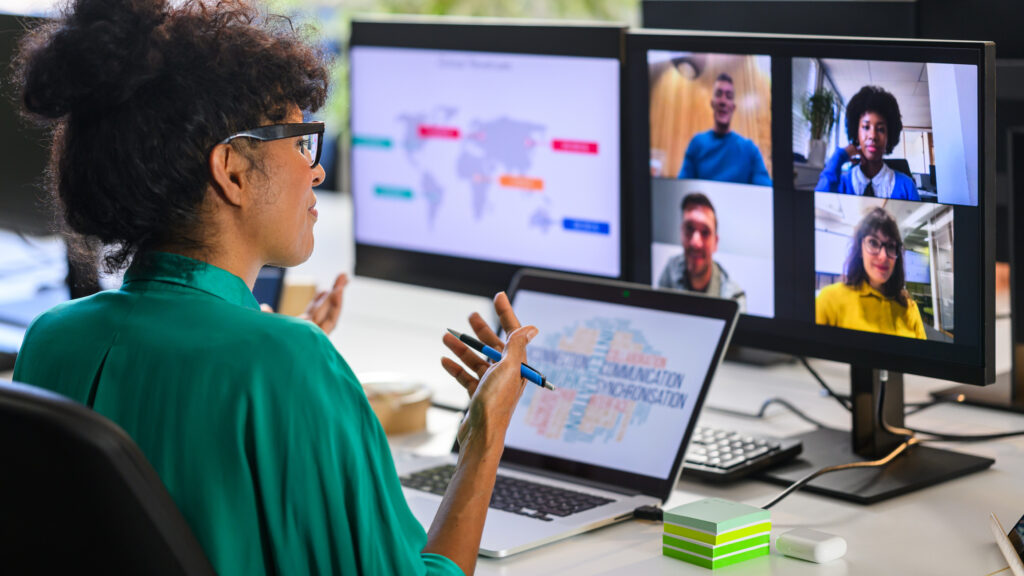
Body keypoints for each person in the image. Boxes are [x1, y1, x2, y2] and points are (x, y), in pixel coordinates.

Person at [10, 1, 536, 575]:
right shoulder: (287, 362)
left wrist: (279, 363)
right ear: (232, 170)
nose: (317, 170)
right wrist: (484, 440)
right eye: (300, 140)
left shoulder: (53, 337)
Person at [816, 207, 926, 339]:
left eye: (891, 246)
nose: (883, 256)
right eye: (873, 243)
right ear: (859, 247)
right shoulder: (829, 300)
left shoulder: (909, 307)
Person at [815, 85, 920, 201]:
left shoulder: (907, 186)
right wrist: (839, 156)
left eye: (880, 129)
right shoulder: (841, 183)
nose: (873, 136)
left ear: (889, 136)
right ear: (856, 131)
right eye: (866, 127)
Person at [678, 73, 772, 186]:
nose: (723, 101)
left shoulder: (750, 149)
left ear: (733, 107)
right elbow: (681, 185)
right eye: (718, 94)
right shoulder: (696, 144)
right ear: (712, 103)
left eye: (729, 96)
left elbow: (766, 191)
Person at [657, 193, 747, 311]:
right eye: (689, 228)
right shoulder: (671, 270)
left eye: (705, 232)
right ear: (681, 233)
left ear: (715, 242)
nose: (696, 243)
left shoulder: (733, 299)